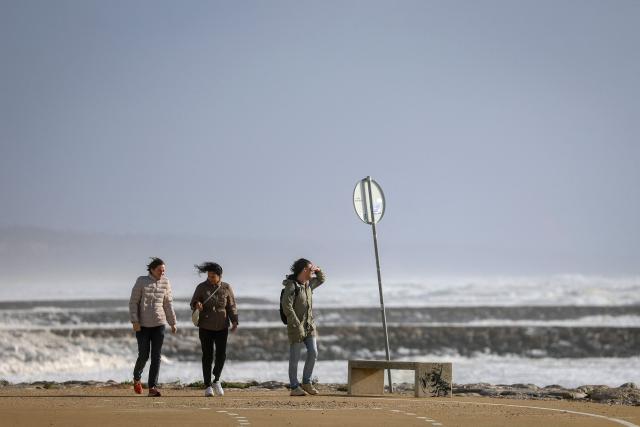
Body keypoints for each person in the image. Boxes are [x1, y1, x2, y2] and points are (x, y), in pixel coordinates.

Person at [128, 257, 177, 397]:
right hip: (143, 325)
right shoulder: (141, 281)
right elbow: (133, 302)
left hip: (159, 324)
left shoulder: (166, 282)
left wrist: (173, 322)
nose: (162, 272)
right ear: (152, 270)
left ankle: (152, 387)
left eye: (164, 270)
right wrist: (134, 321)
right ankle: (137, 378)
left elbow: (168, 304)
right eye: (160, 270)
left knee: (156, 356)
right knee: (144, 355)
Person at [190, 262, 239, 397]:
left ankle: (216, 380)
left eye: (213, 276)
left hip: (222, 326)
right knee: (207, 355)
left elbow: (231, 306)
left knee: (221, 355)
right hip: (205, 326)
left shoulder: (226, 287)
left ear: (220, 276)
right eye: (209, 276)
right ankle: (207, 385)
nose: (210, 278)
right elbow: (193, 302)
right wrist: (197, 304)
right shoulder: (201, 287)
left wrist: (234, 320)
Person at [281, 258, 325, 396]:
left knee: (313, 352)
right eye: (310, 268)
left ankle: (306, 382)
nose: (312, 270)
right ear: (304, 270)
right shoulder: (291, 286)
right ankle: (294, 387)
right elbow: (286, 306)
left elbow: (322, 279)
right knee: (295, 357)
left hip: (309, 326)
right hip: (295, 326)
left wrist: (318, 270)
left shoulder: (308, 284)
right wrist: (296, 324)